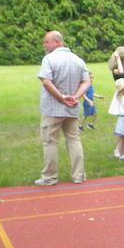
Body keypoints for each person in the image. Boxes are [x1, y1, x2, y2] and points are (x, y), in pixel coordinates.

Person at [35, 31, 90, 186]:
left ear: (58, 42)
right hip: (72, 108)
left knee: (50, 142)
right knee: (74, 140)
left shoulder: (49, 59)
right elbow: (86, 81)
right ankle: (79, 175)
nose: (44, 45)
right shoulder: (78, 60)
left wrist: (61, 98)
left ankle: (50, 177)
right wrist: (76, 96)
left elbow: (46, 82)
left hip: (52, 108)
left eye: (47, 42)